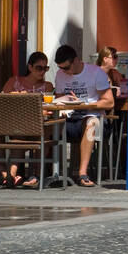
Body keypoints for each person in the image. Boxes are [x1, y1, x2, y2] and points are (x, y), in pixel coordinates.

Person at [52, 44, 115, 187]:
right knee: (47, 124)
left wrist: (85, 104)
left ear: (76, 60)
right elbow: (60, 99)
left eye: (66, 68)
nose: (64, 71)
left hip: (94, 118)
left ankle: (82, 174)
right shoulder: (60, 75)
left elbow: (109, 102)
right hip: (69, 118)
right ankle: (48, 173)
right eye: (60, 68)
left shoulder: (95, 73)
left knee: (90, 123)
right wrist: (66, 99)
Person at [0, 52, 55, 188]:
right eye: (38, 68)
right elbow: (2, 102)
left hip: (37, 125)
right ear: (30, 67)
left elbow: (49, 109)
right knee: (12, 132)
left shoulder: (47, 86)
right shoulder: (14, 81)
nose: (42, 71)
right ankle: (8, 174)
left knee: (38, 130)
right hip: (15, 124)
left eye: (45, 68)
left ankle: (13, 175)